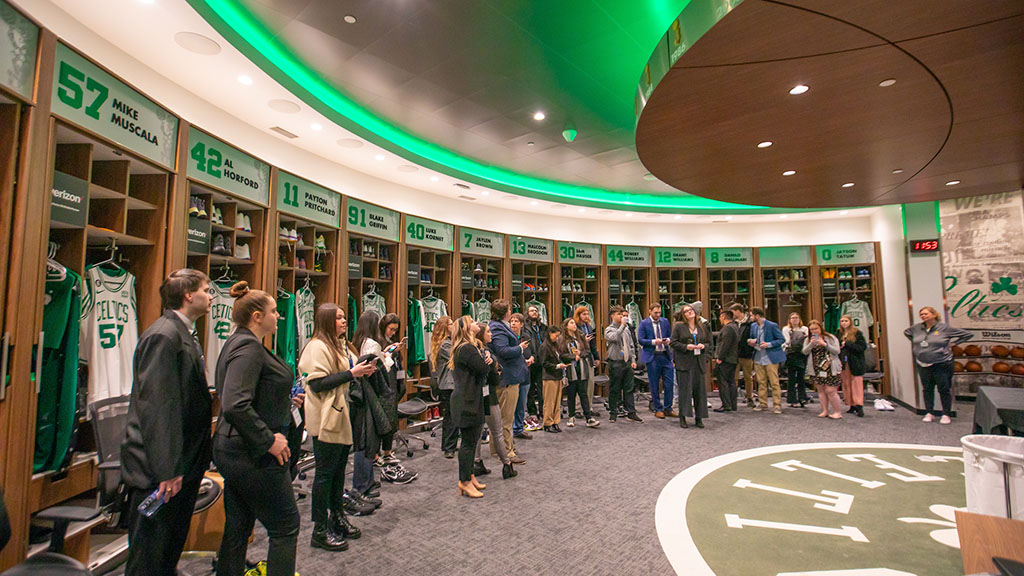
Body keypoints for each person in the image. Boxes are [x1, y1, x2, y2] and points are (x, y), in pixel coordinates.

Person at [121, 269, 213, 576]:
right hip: (159, 473)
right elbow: (159, 408)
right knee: (149, 559)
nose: (211, 296)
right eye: (206, 290)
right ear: (189, 295)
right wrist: (168, 470)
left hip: (182, 465)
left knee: (167, 555)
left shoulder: (182, 333)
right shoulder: (164, 335)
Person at [213, 282, 299, 576]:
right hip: (251, 453)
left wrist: (284, 398)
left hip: (236, 450)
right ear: (257, 316)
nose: (279, 316)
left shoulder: (240, 343)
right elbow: (235, 403)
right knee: (286, 526)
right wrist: (267, 440)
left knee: (238, 526)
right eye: (274, 311)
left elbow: (251, 392)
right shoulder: (248, 347)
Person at [298, 304, 377, 551]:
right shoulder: (316, 347)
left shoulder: (339, 345)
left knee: (338, 472)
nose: (344, 321)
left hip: (341, 416)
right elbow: (318, 384)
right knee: (324, 475)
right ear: (326, 320)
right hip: (325, 419)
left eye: (345, 317)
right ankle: (319, 529)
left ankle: (337, 518)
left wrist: (364, 368)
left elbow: (346, 373)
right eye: (339, 317)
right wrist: (352, 373)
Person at [354, 312, 415, 486]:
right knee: (379, 425)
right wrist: (388, 356)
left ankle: (372, 467)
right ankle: (372, 466)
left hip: (372, 390)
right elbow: (380, 368)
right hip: (378, 389)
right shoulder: (373, 344)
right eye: (391, 329)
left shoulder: (359, 341)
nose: (393, 333)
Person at [904, 306, 972, 424]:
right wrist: (918, 345)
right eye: (921, 314)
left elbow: (967, 334)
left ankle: (946, 414)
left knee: (944, 388)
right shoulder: (916, 328)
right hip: (923, 363)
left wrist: (954, 343)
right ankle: (929, 412)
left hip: (942, 363)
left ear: (934, 315)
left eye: (926, 314)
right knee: (927, 388)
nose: (923, 316)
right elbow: (907, 333)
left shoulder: (944, 328)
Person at [449, 316, 491, 498]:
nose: (476, 323)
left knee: (473, 441)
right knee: (467, 443)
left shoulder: (467, 347)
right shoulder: (466, 349)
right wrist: (487, 359)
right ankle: (464, 481)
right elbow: (482, 368)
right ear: (467, 327)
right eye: (473, 322)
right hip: (467, 400)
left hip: (471, 397)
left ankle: (470, 476)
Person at [473, 322, 517, 479]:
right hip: (488, 395)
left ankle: (477, 462)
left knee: (478, 432)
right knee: (497, 431)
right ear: (481, 335)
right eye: (488, 332)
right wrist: (495, 369)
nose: (491, 334)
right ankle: (507, 465)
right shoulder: (484, 352)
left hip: (476, 395)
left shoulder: (476, 350)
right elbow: (492, 376)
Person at [488, 299, 529, 464]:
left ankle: (499, 449)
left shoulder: (500, 326)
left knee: (501, 418)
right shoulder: (497, 328)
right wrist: (520, 348)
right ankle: (506, 452)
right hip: (507, 378)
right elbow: (502, 351)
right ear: (505, 312)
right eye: (509, 309)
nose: (511, 311)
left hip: (509, 376)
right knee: (506, 418)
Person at [670, 304, 712, 428]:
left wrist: (703, 347)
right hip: (684, 363)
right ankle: (682, 417)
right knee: (684, 391)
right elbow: (673, 342)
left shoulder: (703, 327)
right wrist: (686, 347)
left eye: (691, 310)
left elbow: (709, 343)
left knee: (699, 391)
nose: (689, 312)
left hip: (698, 362)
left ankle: (699, 418)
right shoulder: (679, 327)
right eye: (686, 311)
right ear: (683, 315)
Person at [604, 306, 643, 423]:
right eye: (618, 315)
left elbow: (631, 346)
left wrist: (634, 360)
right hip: (615, 363)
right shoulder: (609, 329)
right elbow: (614, 337)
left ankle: (631, 413)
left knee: (629, 389)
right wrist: (621, 326)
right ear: (612, 316)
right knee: (615, 389)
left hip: (627, 362)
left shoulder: (626, 329)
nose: (621, 317)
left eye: (622, 315)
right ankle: (613, 413)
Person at [562, 317, 600, 428]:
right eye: (571, 323)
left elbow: (587, 351)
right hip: (570, 369)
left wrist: (581, 354)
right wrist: (573, 356)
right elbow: (562, 354)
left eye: (574, 323)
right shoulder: (563, 339)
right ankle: (571, 416)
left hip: (582, 368)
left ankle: (589, 418)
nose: (574, 325)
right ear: (566, 326)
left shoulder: (581, 337)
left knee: (583, 393)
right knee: (571, 394)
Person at [638, 303, 675, 418]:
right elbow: (641, 340)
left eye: (659, 313)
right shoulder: (644, 323)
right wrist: (654, 341)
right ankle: (658, 408)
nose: (658, 315)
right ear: (649, 311)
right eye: (655, 313)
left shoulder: (665, 321)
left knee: (669, 383)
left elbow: (670, 335)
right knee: (654, 384)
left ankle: (668, 408)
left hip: (665, 355)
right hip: (652, 356)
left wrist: (668, 340)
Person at [747, 307, 787, 414]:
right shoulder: (753, 326)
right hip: (758, 357)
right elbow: (751, 338)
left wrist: (769, 344)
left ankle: (777, 405)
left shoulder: (772, 325)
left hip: (770, 357)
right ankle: (763, 403)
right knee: (761, 382)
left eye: (751, 315)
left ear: (757, 315)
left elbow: (781, 339)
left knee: (774, 382)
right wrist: (751, 341)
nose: (750, 317)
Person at [429, 316, 458, 458]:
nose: (454, 326)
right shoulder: (445, 345)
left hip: (450, 383)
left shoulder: (448, 342)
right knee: (451, 417)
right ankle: (449, 447)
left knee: (451, 416)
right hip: (448, 384)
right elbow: (456, 358)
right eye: (451, 324)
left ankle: (448, 445)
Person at [803, 320, 843, 419]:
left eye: (816, 328)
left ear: (821, 328)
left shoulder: (830, 337)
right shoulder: (808, 339)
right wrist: (811, 344)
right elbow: (804, 352)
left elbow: (837, 350)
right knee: (820, 390)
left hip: (830, 367)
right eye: (812, 329)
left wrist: (824, 344)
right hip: (816, 368)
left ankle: (837, 411)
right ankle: (824, 410)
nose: (814, 331)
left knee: (830, 390)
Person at [509, 312, 536, 440]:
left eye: (516, 321)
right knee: (511, 405)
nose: (513, 323)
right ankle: (510, 430)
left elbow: (533, 351)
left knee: (521, 403)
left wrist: (531, 358)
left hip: (525, 374)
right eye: (511, 321)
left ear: (521, 324)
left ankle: (519, 428)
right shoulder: (508, 337)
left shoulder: (526, 337)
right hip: (513, 375)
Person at [538, 325, 568, 432]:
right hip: (549, 377)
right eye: (556, 335)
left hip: (558, 376)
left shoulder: (556, 346)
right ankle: (547, 423)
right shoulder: (544, 347)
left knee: (556, 402)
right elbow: (544, 363)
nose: (558, 338)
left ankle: (555, 421)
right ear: (550, 333)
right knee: (549, 402)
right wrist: (557, 366)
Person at [838, 315, 868, 417]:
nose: (844, 323)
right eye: (842, 321)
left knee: (856, 384)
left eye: (846, 321)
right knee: (846, 384)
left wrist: (848, 344)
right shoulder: (839, 333)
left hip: (855, 362)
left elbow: (862, 347)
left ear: (850, 322)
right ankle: (851, 405)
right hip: (844, 362)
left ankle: (859, 405)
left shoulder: (856, 333)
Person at [523, 305, 547, 430]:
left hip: (542, 361)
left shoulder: (543, 327)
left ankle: (543, 411)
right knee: (530, 388)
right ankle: (532, 412)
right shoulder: (525, 328)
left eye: (536, 311)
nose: (534, 312)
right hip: (531, 360)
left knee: (542, 387)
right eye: (532, 310)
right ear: (527, 313)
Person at [574, 306, 601, 417]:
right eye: (584, 314)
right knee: (580, 383)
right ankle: (577, 409)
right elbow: (572, 343)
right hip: (579, 357)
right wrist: (583, 341)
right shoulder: (575, 327)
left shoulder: (589, 327)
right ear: (578, 315)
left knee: (590, 383)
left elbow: (593, 344)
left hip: (589, 357)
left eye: (587, 314)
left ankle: (589, 407)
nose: (586, 316)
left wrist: (597, 357)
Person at [713, 309, 740, 412]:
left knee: (724, 382)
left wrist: (720, 357)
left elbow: (725, 345)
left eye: (720, 317)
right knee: (731, 382)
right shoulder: (734, 327)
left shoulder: (728, 328)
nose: (720, 319)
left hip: (726, 359)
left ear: (724, 317)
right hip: (732, 359)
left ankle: (726, 405)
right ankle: (732, 404)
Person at [731, 304, 757, 408]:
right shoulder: (733, 323)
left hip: (747, 353)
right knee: (734, 377)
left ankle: (749, 397)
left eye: (733, 312)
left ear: (738, 311)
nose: (732, 314)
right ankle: (733, 398)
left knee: (748, 377)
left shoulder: (750, 323)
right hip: (734, 354)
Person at [782, 312, 809, 408]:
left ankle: (803, 398)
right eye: (793, 318)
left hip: (802, 354)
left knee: (801, 377)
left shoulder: (805, 329)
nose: (795, 319)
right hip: (791, 354)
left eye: (797, 317)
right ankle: (792, 400)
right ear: (789, 319)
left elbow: (807, 340)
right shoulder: (786, 329)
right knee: (791, 378)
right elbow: (786, 341)